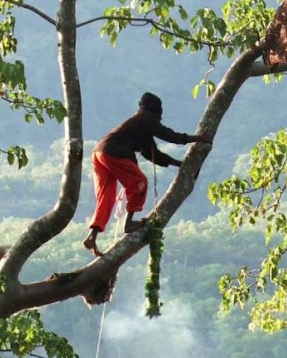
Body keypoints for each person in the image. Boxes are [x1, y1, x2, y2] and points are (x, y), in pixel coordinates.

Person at [83, 92, 210, 256]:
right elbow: (169, 136)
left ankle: (91, 237)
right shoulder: (146, 118)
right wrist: (199, 138)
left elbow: (153, 154)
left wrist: (180, 164)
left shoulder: (139, 125)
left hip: (99, 153)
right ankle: (128, 224)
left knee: (106, 198)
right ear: (155, 111)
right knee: (139, 182)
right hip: (113, 152)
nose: (160, 119)